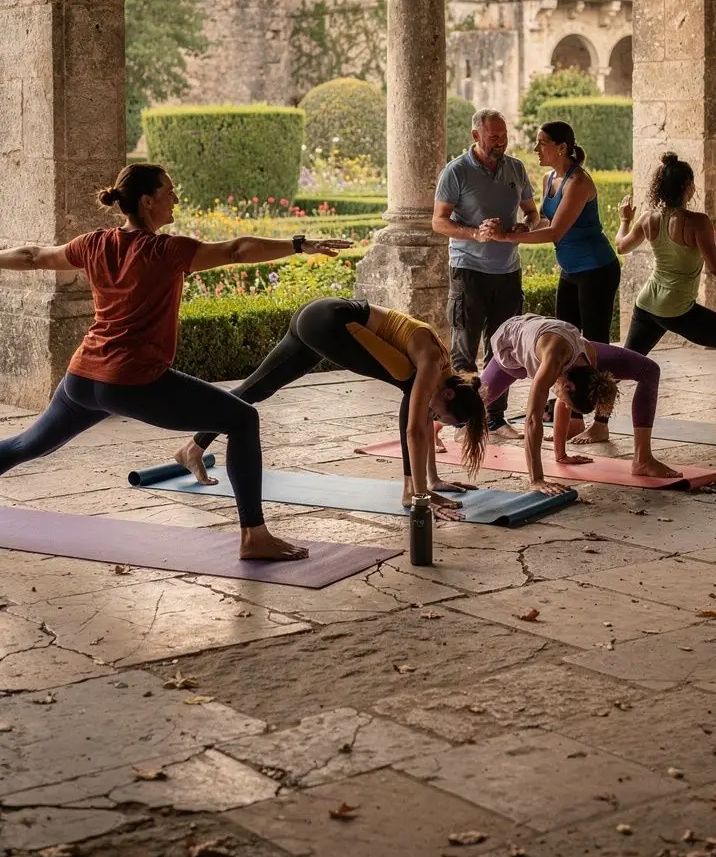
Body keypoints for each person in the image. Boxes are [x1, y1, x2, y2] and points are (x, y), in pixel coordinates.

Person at [0, 163, 355, 562]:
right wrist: (297, 243)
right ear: (148, 202)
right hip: (132, 381)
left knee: (26, 444)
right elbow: (236, 250)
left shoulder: (94, 243)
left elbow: (32, 256)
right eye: (170, 191)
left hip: (82, 378)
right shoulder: (166, 250)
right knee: (242, 419)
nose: (177, 198)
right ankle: (254, 536)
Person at [174, 297, 489, 511]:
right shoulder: (432, 364)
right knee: (410, 386)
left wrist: (432, 480)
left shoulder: (440, 372)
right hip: (330, 322)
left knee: (257, 388)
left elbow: (421, 422)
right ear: (448, 394)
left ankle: (193, 448)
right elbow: (415, 430)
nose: (433, 416)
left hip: (316, 317)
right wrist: (421, 494)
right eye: (440, 414)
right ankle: (412, 489)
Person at [483, 120, 620, 445]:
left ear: (561, 147)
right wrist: (519, 228)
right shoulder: (550, 178)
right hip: (571, 270)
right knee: (563, 340)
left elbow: (556, 233)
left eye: (541, 142)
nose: (535, 148)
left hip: (597, 270)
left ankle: (601, 422)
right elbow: (547, 220)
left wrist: (504, 238)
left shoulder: (579, 183)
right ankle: (572, 417)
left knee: (596, 347)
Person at [616, 152, 716, 439]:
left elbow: (622, 246)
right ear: (688, 188)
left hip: (647, 304)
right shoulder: (697, 221)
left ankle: (595, 422)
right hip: (676, 309)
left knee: (623, 364)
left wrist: (624, 220)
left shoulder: (647, 218)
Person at [433, 108, 538, 440]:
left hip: (508, 271)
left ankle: (495, 419)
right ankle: (464, 421)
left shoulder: (516, 168)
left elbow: (533, 214)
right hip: (469, 271)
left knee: (503, 348)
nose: (501, 142)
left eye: (504, 136)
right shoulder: (456, 171)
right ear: (476, 136)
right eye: (494, 136)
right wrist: (475, 233)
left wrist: (525, 226)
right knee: (464, 349)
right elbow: (439, 222)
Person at [482, 313, 678, 484]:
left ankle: (642, 460)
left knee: (649, 370)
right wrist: (537, 479)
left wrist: (561, 456)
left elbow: (563, 402)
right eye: (568, 399)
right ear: (568, 386)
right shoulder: (553, 360)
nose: (565, 403)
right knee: (468, 406)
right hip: (511, 343)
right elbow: (533, 420)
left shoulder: (587, 362)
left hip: (551, 340)